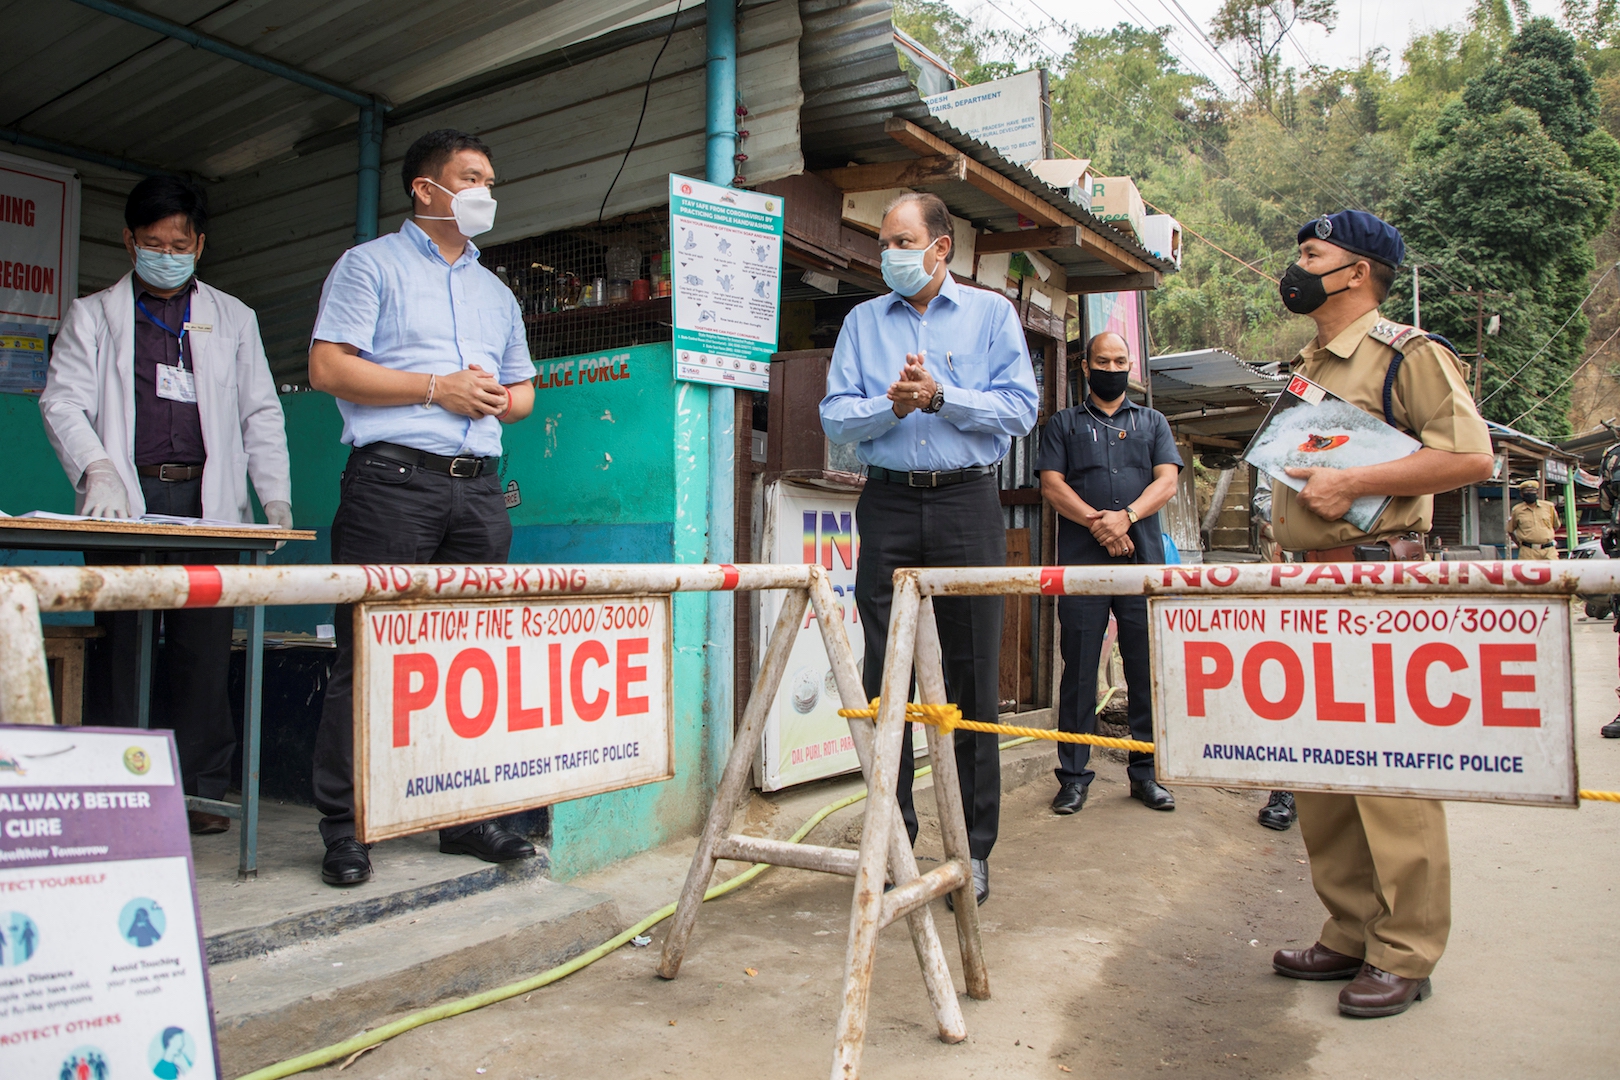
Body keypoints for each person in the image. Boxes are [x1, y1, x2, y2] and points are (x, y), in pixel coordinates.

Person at [1268, 210, 1494, 1018]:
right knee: (1325, 768)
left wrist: (1357, 484)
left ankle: (1407, 952)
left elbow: (1471, 455)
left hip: (1376, 586)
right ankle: (1351, 929)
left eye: (1312, 254)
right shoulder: (1309, 362)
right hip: (1310, 586)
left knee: (1392, 776)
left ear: (1357, 271)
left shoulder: (1410, 354)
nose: (1296, 266)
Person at [306, 129, 538, 887]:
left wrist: (495, 397)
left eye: (491, 181)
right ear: (425, 189)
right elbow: (329, 365)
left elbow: (524, 394)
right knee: (369, 657)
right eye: (471, 178)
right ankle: (349, 827)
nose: (485, 194)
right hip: (392, 482)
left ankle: (463, 818)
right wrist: (437, 387)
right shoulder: (369, 266)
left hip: (478, 489)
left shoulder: (495, 291)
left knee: (466, 655)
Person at [39, 176, 292, 835]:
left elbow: (260, 412)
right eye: (152, 243)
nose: (165, 254)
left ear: (200, 243)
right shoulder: (92, 315)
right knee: (124, 645)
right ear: (128, 241)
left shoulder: (233, 318)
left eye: (179, 244)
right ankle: (121, 789)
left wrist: (275, 498)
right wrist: (97, 467)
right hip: (126, 496)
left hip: (207, 499)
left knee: (202, 648)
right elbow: (62, 400)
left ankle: (203, 793)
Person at [820, 192, 1038, 907]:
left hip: (968, 503)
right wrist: (896, 405)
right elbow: (836, 417)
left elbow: (1020, 409)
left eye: (902, 240)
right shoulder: (861, 321)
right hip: (886, 502)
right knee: (890, 679)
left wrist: (943, 396)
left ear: (940, 248)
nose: (889, 253)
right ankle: (896, 843)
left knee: (974, 677)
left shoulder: (992, 315)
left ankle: (973, 852)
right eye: (884, 241)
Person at [1036, 331, 1180, 816]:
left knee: (1144, 668)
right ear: (1085, 366)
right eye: (1103, 360)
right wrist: (1099, 524)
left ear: (1130, 366)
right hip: (1082, 565)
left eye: (1120, 360)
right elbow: (1053, 486)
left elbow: (1168, 480)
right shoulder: (1063, 425)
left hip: (1141, 568)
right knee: (1078, 669)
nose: (1112, 367)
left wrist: (1129, 518)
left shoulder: (1153, 421)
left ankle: (1146, 774)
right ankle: (1073, 777)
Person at [1509, 479, 1561, 559]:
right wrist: (1520, 544)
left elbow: (1555, 526)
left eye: (1532, 491)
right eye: (1526, 491)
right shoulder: (1517, 510)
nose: (1529, 494)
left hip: (1549, 551)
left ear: (1537, 493)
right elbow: (1510, 530)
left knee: (1554, 570)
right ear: (1521, 494)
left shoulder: (1548, 507)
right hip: (1528, 552)